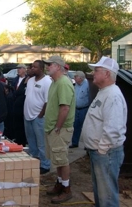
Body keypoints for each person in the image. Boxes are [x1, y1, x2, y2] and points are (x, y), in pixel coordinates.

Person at [81, 57, 127, 207]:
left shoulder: (113, 95)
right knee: (101, 194)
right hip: (100, 153)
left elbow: (113, 128)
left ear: (107, 74)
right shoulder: (104, 92)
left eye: (96, 70)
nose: (92, 73)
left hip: (106, 154)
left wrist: (101, 150)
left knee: (107, 196)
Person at [43, 56, 75, 204]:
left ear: (57, 66)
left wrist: (58, 127)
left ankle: (66, 189)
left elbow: (65, 108)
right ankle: (60, 183)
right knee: (57, 160)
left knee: (62, 159)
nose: (47, 67)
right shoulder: (55, 82)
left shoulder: (63, 83)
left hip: (60, 129)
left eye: (49, 64)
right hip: (54, 129)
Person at [24, 60, 52, 174]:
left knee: (41, 142)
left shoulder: (47, 82)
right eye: (32, 66)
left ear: (41, 69)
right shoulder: (30, 81)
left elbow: (47, 101)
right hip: (27, 116)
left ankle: (45, 164)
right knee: (31, 142)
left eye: (35, 67)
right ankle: (34, 161)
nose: (32, 68)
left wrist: (41, 115)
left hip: (38, 117)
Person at [69, 71, 89, 148]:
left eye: (75, 76)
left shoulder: (87, 84)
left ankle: (87, 145)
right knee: (76, 126)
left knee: (85, 127)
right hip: (76, 109)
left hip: (84, 109)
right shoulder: (75, 85)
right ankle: (75, 142)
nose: (74, 78)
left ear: (80, 78)